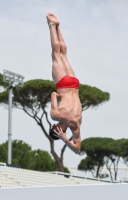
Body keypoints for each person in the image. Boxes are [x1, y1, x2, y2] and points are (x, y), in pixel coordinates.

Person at [46, 13, 82, 154]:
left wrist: (65, 139)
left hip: (74, 83)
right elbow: (54, 94)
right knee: (56, 53)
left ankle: (58, 26)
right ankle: (52, 25)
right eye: (53, 127)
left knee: (63, 54)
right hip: (63, 84)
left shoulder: (75, 124)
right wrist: (60, 98)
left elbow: (77, 150)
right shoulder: (55, 115)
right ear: (54, 128)